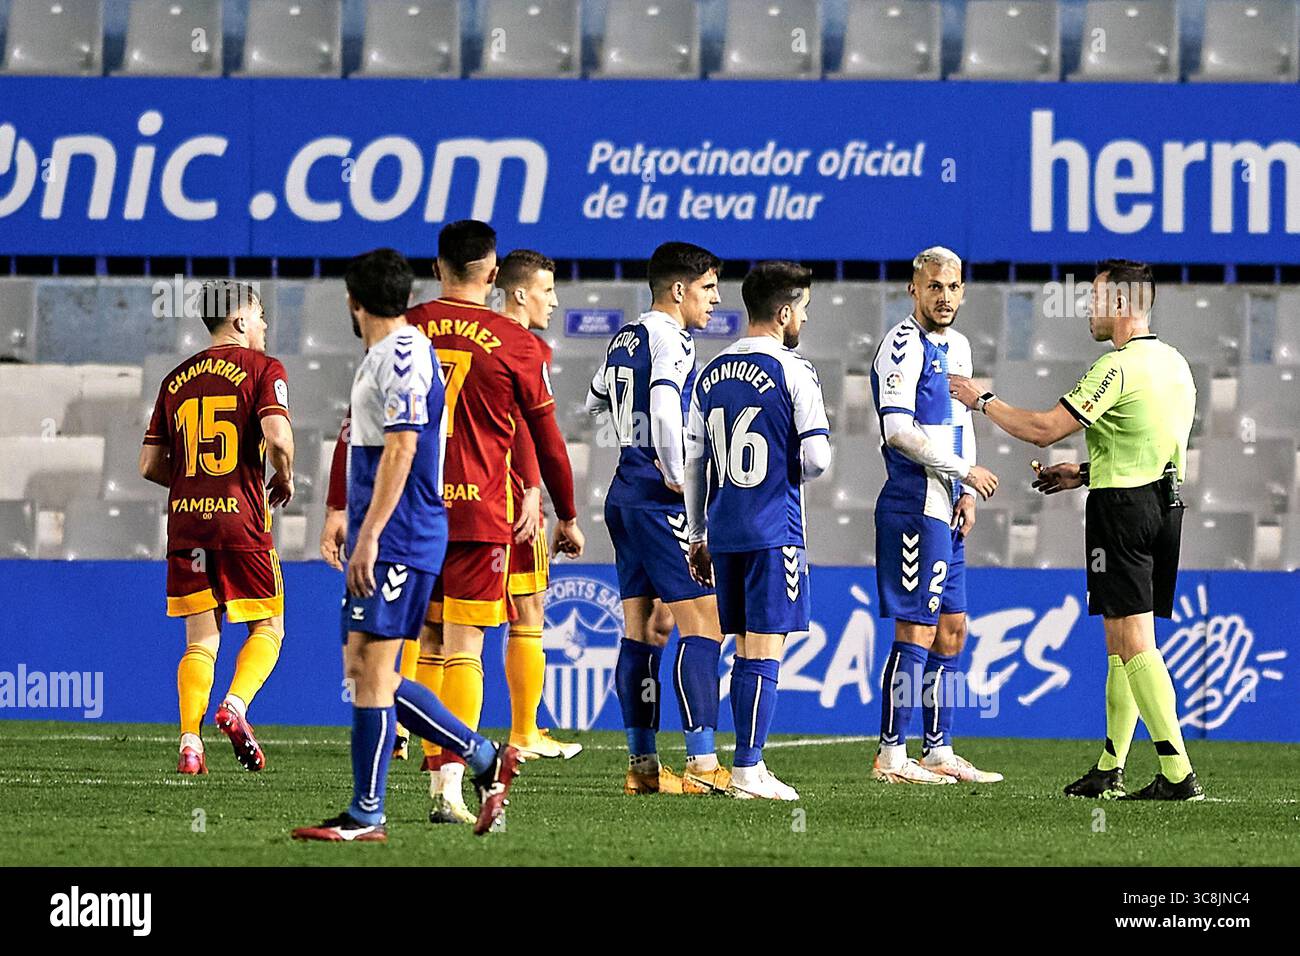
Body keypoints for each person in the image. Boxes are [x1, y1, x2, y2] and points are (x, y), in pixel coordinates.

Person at [949, 259, 1203, 801]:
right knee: (1121, 640)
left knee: (1134, 641)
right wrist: (1085, 472)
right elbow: (1152, 442)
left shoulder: (1117, 367)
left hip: (1122, 512)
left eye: (1096, 298)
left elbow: (1045, 429)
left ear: (1122, 303)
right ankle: (1111, 766)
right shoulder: (1175, 363)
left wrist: (982, 400)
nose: (1088, 308)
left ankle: (1178, 772)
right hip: (1163, 506)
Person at [292, 249, 518, 842]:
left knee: (373, 672)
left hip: (402, 533)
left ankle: (368, 813)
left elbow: (402, 447)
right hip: (388, 529)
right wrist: (346, 514)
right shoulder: (386, 355)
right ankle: (484, 757)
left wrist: (369, 534)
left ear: (353, 302)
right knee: (365, 670)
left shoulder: (402, 354)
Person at [406, 221, 583, 824]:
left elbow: (362, 422)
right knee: (466, 648)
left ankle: (425, 770)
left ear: (437, 268)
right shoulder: (514, 341)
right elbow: (547, 438)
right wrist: (566, 511)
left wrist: (342, 508)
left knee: (426, 642)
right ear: (493, 272)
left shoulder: (404, 329)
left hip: (413, 511)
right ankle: (451, 788)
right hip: (480, 514)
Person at [585, 241, 731, 796]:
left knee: (647, 627)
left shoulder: (625, 336)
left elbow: (596, 401)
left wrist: (631, 440)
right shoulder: (671, 338)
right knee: (706, 623)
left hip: (624, 494)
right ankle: (702, 763)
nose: (715, 299)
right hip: (657, 497)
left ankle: (643, 767)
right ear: (678, 289)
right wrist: (675, 471)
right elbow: (667, 408)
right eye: (708, 288)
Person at [684, 261, 831, 800]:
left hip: (724, 530)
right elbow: (817, 459)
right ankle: (748, 769)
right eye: (804, 309)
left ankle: (745, 765)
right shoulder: (795, 370)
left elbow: (693, 462)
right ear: (785, 312)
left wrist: (697, 534)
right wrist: (785, 466)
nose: (804, 320)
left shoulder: (710, 371)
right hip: (774, 528)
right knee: (764, 648)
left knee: (745, 645)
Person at [140, 281, 294, 775]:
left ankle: (190, 743)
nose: (265, 324)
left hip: (187, 524)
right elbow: (277, 438)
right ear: (240, 321)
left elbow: (148, 465)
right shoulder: (264, 369)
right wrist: (285, 475)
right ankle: (235, 705)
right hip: (241, 520)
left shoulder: (175, 379)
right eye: (260, 315)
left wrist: (192, 483)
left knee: (200, 641)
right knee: (268, 626)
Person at [869, 247, 1002, 785]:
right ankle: (891, 756)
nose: (944, 296)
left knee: (952, 630)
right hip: (913, 505)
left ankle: (938, 750)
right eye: (934, 287)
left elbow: (960, 423)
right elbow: (897, 430)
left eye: (952, 287)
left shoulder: (959, 346)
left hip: (948, 504)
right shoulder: (902, 345)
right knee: (916, 629)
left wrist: (964, 490)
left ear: (963, 290)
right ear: (914, 290)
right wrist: (965, 471)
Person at [494, 249, 583, 759]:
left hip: (448, 495)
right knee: (528, 611)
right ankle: (524, 732)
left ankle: (430, 739)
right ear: (520, 293)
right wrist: (544, 496)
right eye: (547, 290)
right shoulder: (524, 347)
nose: (553, 301)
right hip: (508, 495)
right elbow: (530, 429)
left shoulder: (458, 337)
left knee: (438, 623)